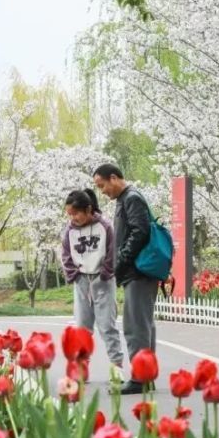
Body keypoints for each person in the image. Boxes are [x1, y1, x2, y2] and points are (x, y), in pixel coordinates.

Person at [93, 163, 158, 395]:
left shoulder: (131, 198)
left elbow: (140, 232)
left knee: (135, 326)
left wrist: (121, 261)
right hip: (138, 271)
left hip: (138, 271)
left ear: (114, 178)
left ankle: (140, 379)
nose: (102, 191)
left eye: (102, 185)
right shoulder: (127, 199)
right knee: (143, 324)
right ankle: (146, 376)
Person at [60, 188, 125, 370]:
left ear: (88, 209)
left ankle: (116, 366)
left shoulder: (104, 227)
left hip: (102, 280)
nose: (72, 218)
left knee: (107, 326)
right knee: (82, 328)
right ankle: (81, 367)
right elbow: (65, 255)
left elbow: (112, 252)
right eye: (69, 214)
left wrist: (105, 274)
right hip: (81, 280)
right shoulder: (69, 231)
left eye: (75, 213)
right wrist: (73, 275)